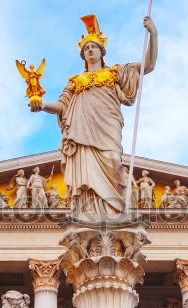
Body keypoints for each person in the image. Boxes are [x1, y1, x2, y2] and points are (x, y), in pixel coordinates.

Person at [29, 14, 158, 217]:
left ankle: (115, 211)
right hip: (81, 132)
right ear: (82, 55)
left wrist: (152, 33)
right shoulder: (75, 80)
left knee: (113, 161)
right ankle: (89, 213)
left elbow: (148, 66)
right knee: (85, 175)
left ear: (101, 51)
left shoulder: (115, 73)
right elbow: (62, 105)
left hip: (108, 127)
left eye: (93, 47)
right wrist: (43, 105)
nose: (89, 50)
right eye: (86, 48)